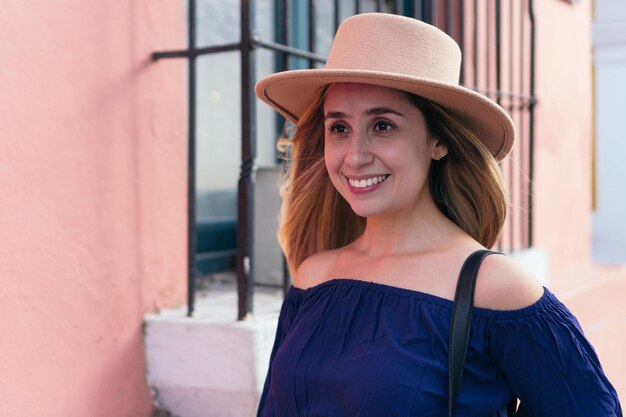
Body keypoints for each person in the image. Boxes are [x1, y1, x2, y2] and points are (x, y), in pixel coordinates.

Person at [254, 13, 622, 417]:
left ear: (439, 141)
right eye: (339, 128)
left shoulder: (496, 288)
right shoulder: (313, 277)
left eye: (382, 125)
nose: (355, 156)